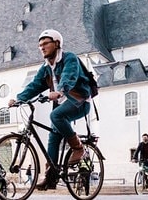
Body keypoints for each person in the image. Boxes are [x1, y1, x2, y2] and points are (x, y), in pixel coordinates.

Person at [8, 29, 91, 191]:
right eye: (40, 45)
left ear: (57, 43)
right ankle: (51, 177)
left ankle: (78, 148)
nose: (42, 47)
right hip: (61, 104)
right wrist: (19, 99)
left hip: (79, 99)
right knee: (53, 138)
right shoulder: (46, 67)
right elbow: (35, 85)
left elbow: (69, 76)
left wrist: (60, 90)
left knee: (56, 115)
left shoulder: (69, 58)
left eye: (46, 43)